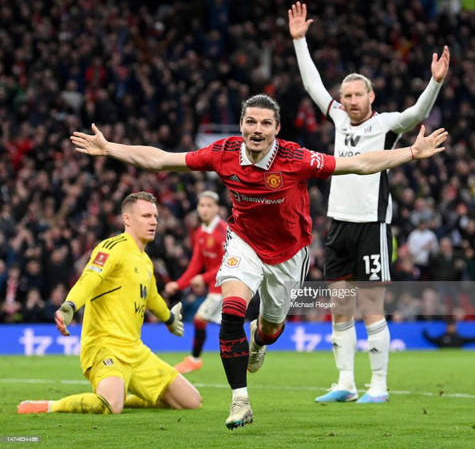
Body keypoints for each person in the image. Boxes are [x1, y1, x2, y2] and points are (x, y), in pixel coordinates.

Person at [70, 94, 447, 428]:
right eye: (251, 121)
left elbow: (360, 163)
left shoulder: (295, 158)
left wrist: (411, 152)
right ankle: (240, 401)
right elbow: (162, 160)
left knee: (269, 329)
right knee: (232, 309)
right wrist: (110, 148)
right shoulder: (223, 153)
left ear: (276, 129)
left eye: (266, 123)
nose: (257, 128)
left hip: (289, 254)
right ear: (241, 125)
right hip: (244, 243)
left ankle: (260, 342)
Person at [289, 2, 450, 404]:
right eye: (346, 95)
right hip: (338, 225)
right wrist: (299, 41)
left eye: (358, 94)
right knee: (340, 306)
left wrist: (434, 82)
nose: (351, 101)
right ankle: (345, 382)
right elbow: (312, 85)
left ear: (371, 96)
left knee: (371, 306)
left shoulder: (386, 124)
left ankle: (379, 385)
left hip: (372, 225)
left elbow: (418, 113)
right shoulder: (339, 119)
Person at [17, 192, 202, 414]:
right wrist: (69, 306)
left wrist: (169, 319)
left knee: (191, 401)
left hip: (135, 350)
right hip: (104, 347)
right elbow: (89, 279)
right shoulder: (111, 248)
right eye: (146, 216)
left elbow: (152, 297)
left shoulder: (145, 261)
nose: (153, 221)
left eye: (155, 216)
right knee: (111, 406)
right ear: (128, 219)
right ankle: (46, 406)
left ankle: (127, 398)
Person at [165, 191, 228, 374]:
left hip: (227, 285)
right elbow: (196, 263)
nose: (205, 209)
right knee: (228, 323)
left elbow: (228, 263)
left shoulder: (223, 232)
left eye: (209, 205)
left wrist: (205, 278)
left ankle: (194, 359)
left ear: (217, 208)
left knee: (201, 319)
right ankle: (244, 357)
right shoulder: (200, 232)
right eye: (202, 205)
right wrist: (179, 284)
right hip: (214, 288)